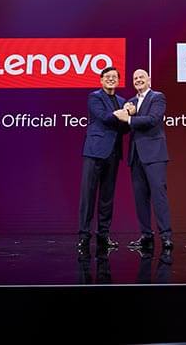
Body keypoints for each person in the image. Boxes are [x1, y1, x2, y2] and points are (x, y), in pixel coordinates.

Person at [113, 69, 173, 250]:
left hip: (154, 154)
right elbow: (124, 128)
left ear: (149, 80)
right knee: (140, 198)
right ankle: (146, 235)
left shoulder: (157, 97)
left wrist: (130, 119)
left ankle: (166, 236)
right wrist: (123, 116)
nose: (138, 80)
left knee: (158, 195)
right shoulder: (130, 102)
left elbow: (153, 120)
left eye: (141, 77)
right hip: (135, 156)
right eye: (135, 78)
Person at [77, 67, 128, 250]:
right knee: (88, 196)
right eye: (107, 77)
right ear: (101, 80)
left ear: (118, 80)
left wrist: (130, 118)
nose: (111, 79)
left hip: (113, 153)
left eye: (114, 77)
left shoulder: (122, 101)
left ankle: (103, 236)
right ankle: (84, 236)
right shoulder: (95, 97)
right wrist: (124, 114)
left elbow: (125, 127)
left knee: (107, 198)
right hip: (95, 151)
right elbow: (103, 117)